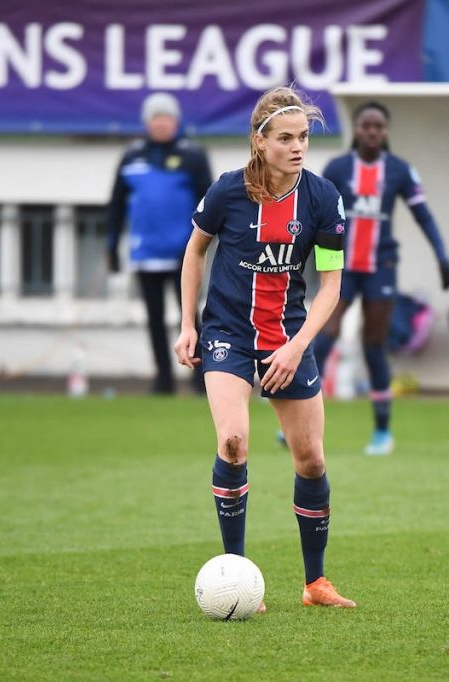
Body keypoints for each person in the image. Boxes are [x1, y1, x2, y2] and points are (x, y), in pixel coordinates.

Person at [174, 86, 356, 608]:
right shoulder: (228, 191)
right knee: (232, 442)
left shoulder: (322, 198)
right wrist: (188, 324)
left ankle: (316, 584)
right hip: (227, 333)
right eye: (285, 138)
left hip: (287, 338)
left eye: (303, 137)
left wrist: (297, 346)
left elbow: (331, 287)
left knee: (312, 460)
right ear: (260, 141)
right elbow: (194, 254)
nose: (298, 147)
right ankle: (236, 574)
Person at [310, 101, 449, 455]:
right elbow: (315, 215)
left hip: (381, 267)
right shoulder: (338, 167)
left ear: (385, 132)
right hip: (340, 266)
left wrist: (441, 255)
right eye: (366, 125)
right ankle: (300, 422)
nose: (372, 131)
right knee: (323, 336)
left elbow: (424, 215)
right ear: (356, 129)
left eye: (378, 126)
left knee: (373, 345)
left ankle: (382, 432)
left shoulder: (400, 171)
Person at [106, 92, 212, 394]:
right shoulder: (132, 156)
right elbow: (115, 204)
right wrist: (111, 247)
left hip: (184, 253)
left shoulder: (192, 155)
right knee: (154, 319)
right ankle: (163, 380)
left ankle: (200, 377)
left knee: (190, 316)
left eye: (167, 118)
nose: (161, 124)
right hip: (145, 253)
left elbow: (211, 202)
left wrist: (205, 244)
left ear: (176, 122)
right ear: (147, 122)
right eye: (156, 118)